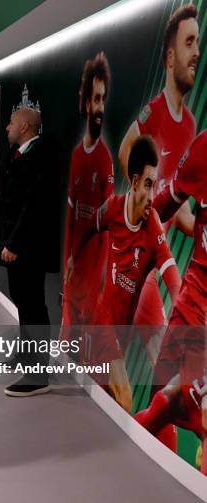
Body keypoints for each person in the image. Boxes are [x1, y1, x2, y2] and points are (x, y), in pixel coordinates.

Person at [67, 135, 181, 413]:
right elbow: (90, 227)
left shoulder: (152, 225)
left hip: (123, 329)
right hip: (104, 321)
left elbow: (171, 273)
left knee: (100, 395)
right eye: (148, 185)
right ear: (133, 182)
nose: (153, 196)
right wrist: (73, 256)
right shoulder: (113, 209)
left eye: (155, 186)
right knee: (125, 397)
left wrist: (184, 308)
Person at [118, 4, 199, 350]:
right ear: (169, 58)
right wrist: (144, 210)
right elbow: (125, 152)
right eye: (189, 43)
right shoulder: (154, 111)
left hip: (157, 262)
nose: (196, 53)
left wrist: (199, 226)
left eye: (199, 44)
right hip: (136, 255)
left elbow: (179, 207)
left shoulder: (192, 125)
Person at [134, 131, 207, 470]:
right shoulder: (203, 147)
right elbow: (170, 204)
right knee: (163, 399)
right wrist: (135, 224)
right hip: (193, 308)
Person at [0, 103, 58, 397]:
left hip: (28, 248)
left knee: (33, 306)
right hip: (12, 245)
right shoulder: (15, 153)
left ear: (25, 126)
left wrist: (14, 244)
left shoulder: (42, 155)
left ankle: (38, 374)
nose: (7, 127)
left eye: (11, 122)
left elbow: (34, 207)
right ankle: (27, 355)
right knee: (23, 302)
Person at [63, 52, 114, 328]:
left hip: (93, 278)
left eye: (103, 99)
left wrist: (100, 277)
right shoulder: (76, 156)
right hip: (73, 271)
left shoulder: (105, 159)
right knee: (67, 336)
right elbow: (71, 217)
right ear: (85, 103)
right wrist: (69, 258)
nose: (101, 108)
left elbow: (106, 229)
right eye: (96, 99)